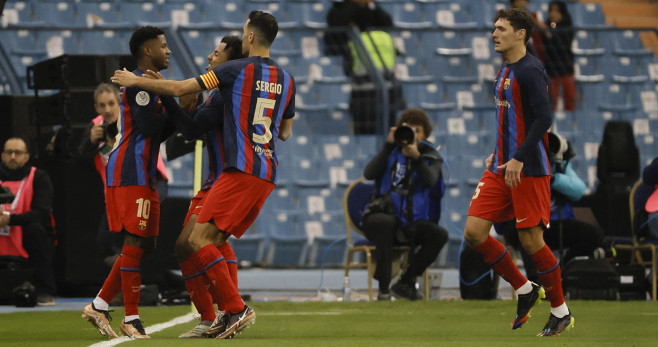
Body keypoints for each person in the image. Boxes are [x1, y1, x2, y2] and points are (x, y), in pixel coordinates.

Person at [111, 11, 295, 339]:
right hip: (266, 169)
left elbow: (182, 88)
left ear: (250, 37)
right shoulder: (287, 79)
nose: (212, 56)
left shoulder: (233, 72)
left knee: (198, 240)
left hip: (238, 169)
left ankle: (234, 309)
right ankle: (221, 314)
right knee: (202, 242)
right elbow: (285, 132)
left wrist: (137, 81)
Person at [463, 9, 574, 337]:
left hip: (529, 168)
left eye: (501, 28)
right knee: (474, 232)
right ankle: (525, 289)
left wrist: (519, 157)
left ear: (521, 33)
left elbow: (543, 118)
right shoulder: (505, 71)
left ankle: (560, 310)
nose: (494, 33)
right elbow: (510, 121)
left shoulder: (531, 70)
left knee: (530, 241)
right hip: (501, 165)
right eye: (494, 28)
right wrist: (498, 152)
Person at [81, 25, 175, 339]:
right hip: (129, 171)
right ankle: (131, 319)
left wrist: (175, 108)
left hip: (142, 172)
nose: (168, 50)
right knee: (134, 243)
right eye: (163, 45)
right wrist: (177, 107)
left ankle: (100, 303)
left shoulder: (146, 83)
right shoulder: (139, 84)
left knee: (145, 244)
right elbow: (149, 127)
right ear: (147, 50)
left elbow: (156, 130)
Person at [158, 36, 244, 338]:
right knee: (187, 246)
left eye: (217, 54)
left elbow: (192, 129)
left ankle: (225, 312)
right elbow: (196, 127)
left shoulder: (224, 94)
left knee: (195, 242)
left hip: (224, 180)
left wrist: (172, 102)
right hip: (214, 179)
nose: (210, 57)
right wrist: (188, 110)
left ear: (230, 62)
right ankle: (214, 315)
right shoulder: (220, 94)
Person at [77, 84, 170, 266]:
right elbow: (81, 159)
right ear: (96, 108)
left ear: (118, 102)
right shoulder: (95, 127)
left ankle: (128, 276)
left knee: (134, 234)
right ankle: (123, 274)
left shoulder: (133, 119)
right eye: (102, 106)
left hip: (149, 183)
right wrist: (91, 142)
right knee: (105, 240)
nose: (108, 110)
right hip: (116, 192)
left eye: (111, 104)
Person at [497, 132, 608, 283]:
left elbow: (579, 190)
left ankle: (561, 269)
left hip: (554, 224)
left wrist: (553, 177)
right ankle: (536, 282)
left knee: (595, 234)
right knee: (526, 229)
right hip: (522, 225)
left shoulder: (558, 166)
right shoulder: (517, 164)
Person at [362, 108, 448, 300]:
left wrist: (417, 159)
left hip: (411, 220)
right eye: (409, 130)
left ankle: (406, 283)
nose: (413, 135)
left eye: (418, 131)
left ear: (425, 134)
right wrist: (387, 145)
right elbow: (368, 173)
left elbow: (430, 181)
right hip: (381, 214)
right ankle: (383, 290)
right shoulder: (390, 151)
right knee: (385, 223)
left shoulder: (431, 156)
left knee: (439, 235)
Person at [326, 0, 404, 134]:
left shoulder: (373, 11)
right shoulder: (341, 8)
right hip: (364, 90)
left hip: (385, 86)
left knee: (387, 131)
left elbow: (388, 22)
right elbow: (335, 21)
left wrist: (370, 4)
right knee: (368, 130)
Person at [0, 137, 56, 306]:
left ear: (26, 156)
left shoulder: (38, 177)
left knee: (36, 229)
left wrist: (10, 220)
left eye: (17, 153)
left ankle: (45, 289)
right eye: (9, 152)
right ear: (2, 156)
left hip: (26, 233)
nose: (13, 156)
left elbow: (41, 213)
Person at [541, 1, 576, 111]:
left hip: (566, 68)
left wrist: (550, 33)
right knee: (551, 99)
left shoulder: (567, 25)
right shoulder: (546, 26)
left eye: (556, 11)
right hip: (551, 69)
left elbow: (563, 45)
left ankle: (571, 121)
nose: (553, 14)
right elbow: (546, 47)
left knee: (570, 97)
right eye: (551, 11)